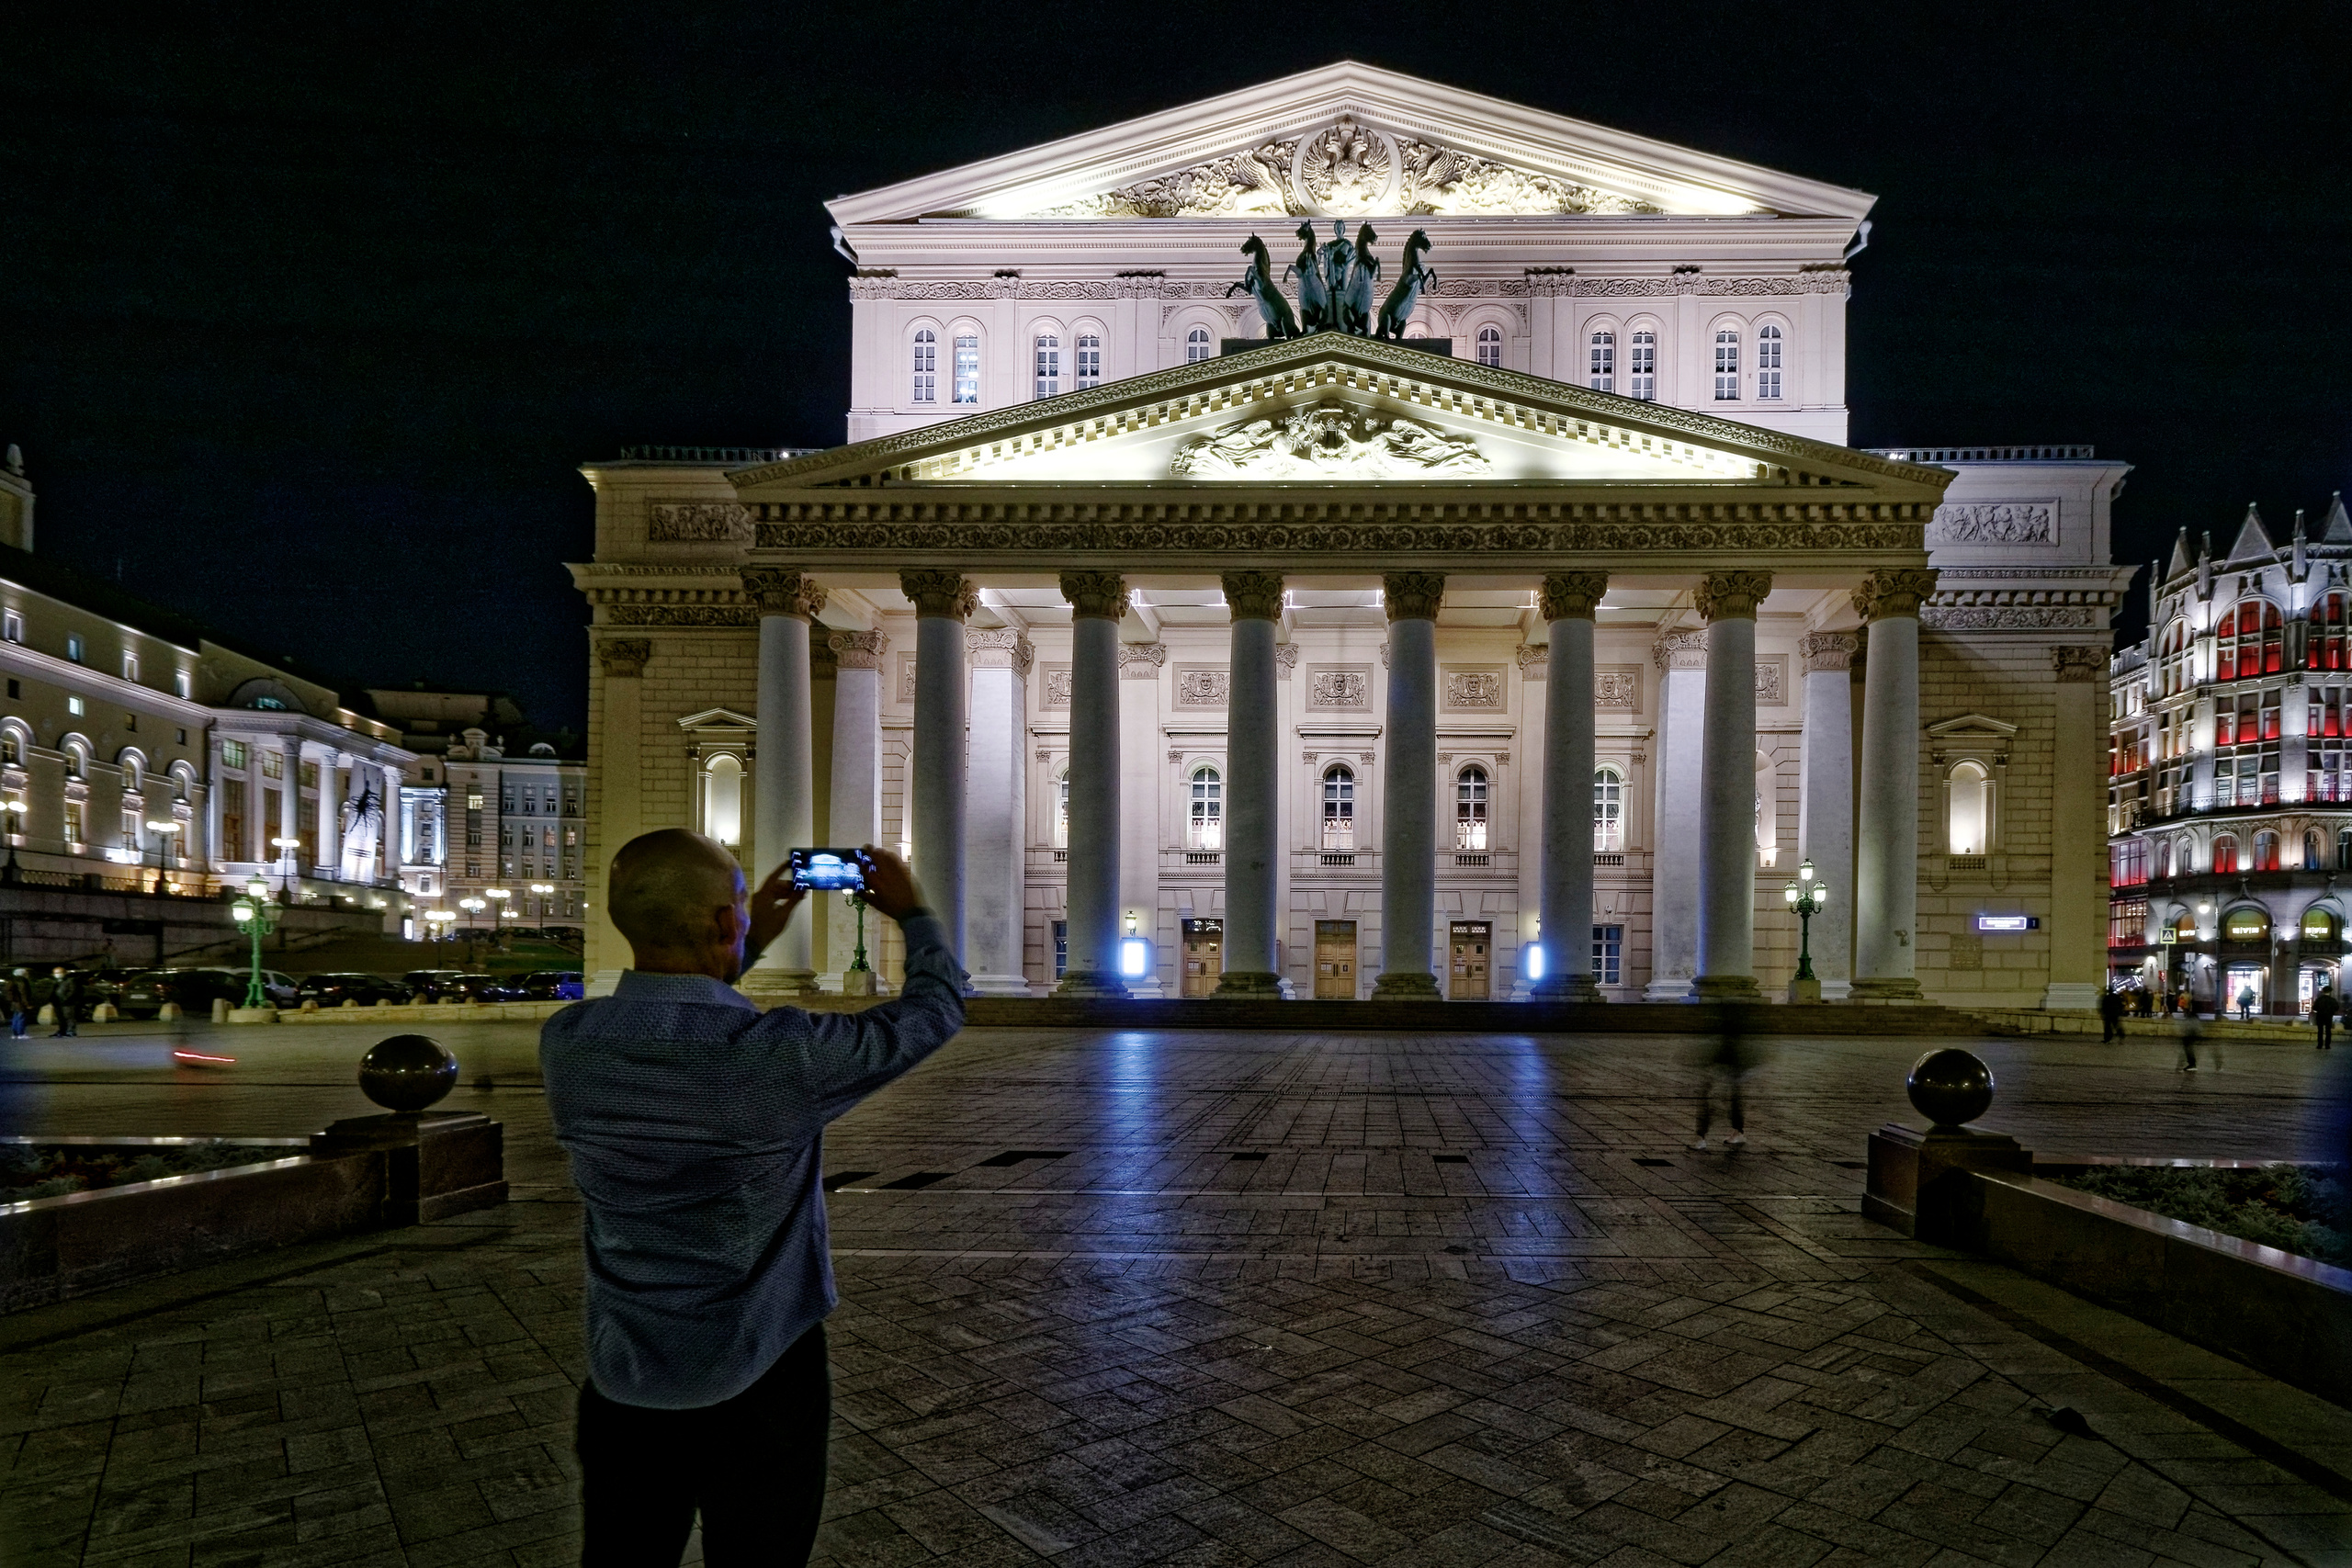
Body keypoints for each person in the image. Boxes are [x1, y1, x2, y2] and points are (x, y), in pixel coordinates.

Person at [542, 830, 963, 1566]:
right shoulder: (779, 1057)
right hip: (761, 1374)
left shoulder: (569, 1044)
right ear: (721, 924)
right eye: (736, 905)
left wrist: (741, 938)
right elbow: (932, 1012)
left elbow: (684, 1009)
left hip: (626, 1382)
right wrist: (914, 914)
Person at [1690, 1003, 1755, 1151]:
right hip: (1733, 1068)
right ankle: (1737, 1131)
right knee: (1731, 1100)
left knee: (1711, 1101)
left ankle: (1701, 1136)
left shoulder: (1723, 1026)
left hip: (1723, 1068)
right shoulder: (1737, 1025)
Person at [48, 967, 80, 1037]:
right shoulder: (55, 982)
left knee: (68, 1017)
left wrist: (66, 998)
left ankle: (70, 1031)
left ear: (64, 973)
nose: (57, 974)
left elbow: (72, 991)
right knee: (60, 1018)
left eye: (59, 973)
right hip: (57, 1003)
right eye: (55, 973)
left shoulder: (70, 981)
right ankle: (62, 1031)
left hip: (67, 1003)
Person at [3, 969, 28, 1039]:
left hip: (14, 1002)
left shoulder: (12, 980)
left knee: (15, 1018)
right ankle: (21, 1034)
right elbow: (22, 992)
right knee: (21, 1017)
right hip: (19, 1002)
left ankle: (15, 1034)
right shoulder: (21, 980)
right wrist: (26, 1003)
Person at [2315, 985, 2338, 1052]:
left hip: (2320, 1016)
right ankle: (2327, 1045)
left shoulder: (2319, 999)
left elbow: (2315, 1007)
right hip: (2329, 1016)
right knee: (2328, 1031)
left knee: (2320, 1031)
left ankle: (2319, 1045)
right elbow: (2336, 1008)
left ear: (2323, 991)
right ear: (2330, 992)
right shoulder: (2332, 1000)